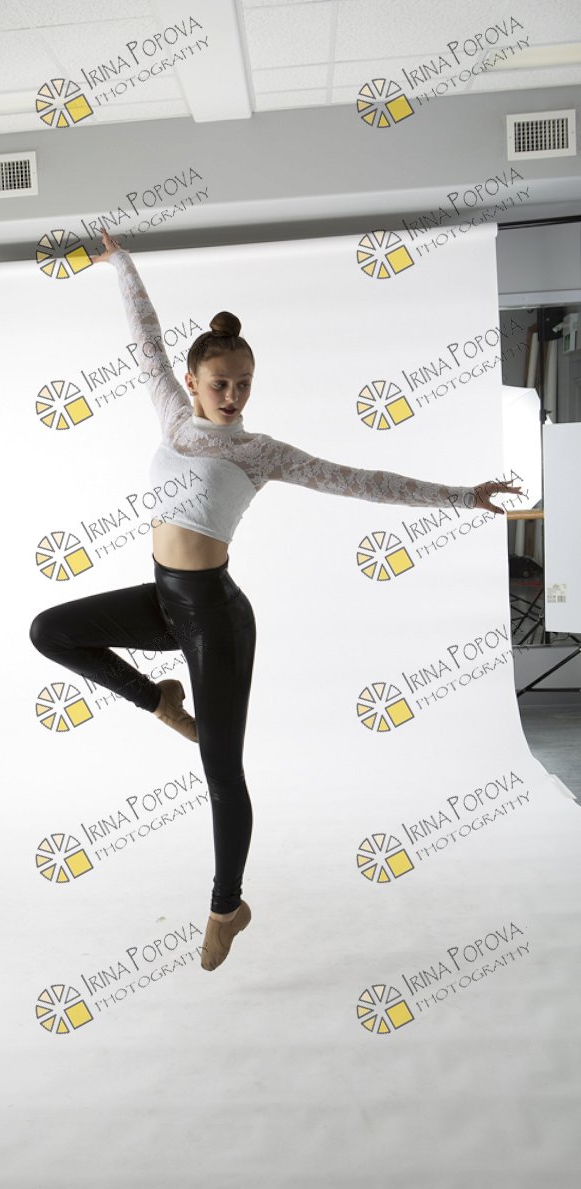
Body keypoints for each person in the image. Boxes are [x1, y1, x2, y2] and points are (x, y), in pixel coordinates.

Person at [29, 230, 522, 972]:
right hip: (163, 598)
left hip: (216, 618)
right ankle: (160, 700)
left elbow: (366, 481)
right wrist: (121, 263)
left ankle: (226, 906)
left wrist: (463, 495)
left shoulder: (261, 453)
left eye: (243, 384)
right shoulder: (172, 415)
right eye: (220, 384)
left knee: (222, 773)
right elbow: (146, 338)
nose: (232, 396)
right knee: (50, 630)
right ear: (193, 382)